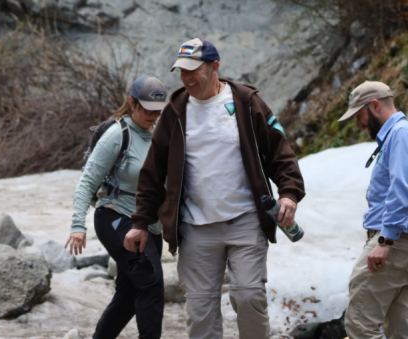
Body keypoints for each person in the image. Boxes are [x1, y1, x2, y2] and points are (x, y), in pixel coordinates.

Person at [124, 38, 306, 339]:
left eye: (193, 70)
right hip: (196, 227)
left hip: (246, 219)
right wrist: (141, 222)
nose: (186, 78)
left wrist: (289, 192)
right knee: (200, 312)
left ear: (215, 67)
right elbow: (153, 173)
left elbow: (279, 152)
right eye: (181, 71)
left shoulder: (247, 102)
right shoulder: (175, 111)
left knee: (249, 297)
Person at [66, 75, 169, 339]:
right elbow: (88, 181)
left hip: (148, 225)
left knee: (129, 294)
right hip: (116, 219)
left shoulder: (158, 134)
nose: (153, 115)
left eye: (158, 110)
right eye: (147, 109)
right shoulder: (117, 134)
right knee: (150, 283)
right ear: (132, 102)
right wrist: (78, 226)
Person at [337, 81, 408, 339]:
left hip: (394, 242)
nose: (358, 124)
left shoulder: (400, 134)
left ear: (375, 105)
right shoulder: (399, 134)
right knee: (401, 328)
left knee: (360, 326)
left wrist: (385, 239)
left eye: (359, 116)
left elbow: (402, 189)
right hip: (400, 243)